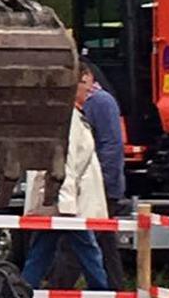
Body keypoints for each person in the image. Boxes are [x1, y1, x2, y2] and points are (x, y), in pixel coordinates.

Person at [20, 72, 111, 290]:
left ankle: (21, 290)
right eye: (85, 83)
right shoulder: (69, 119)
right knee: (88, 251)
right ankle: (103, 293)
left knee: (42, 251)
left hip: (58, 200)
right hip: (66, 202)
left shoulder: (68, 116)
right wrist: (67, 202)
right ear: (72, 86)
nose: (90, 89)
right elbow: (65, 162)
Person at [49, 63, 128, 288]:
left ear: (87, 78)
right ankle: (112, 289)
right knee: (102, 246)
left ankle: (59, 289)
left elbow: (111, 147)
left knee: (75, 247)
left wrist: (103, 187)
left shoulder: (100, 103)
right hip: (94, 189)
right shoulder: (92, 103)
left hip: (97, 189)